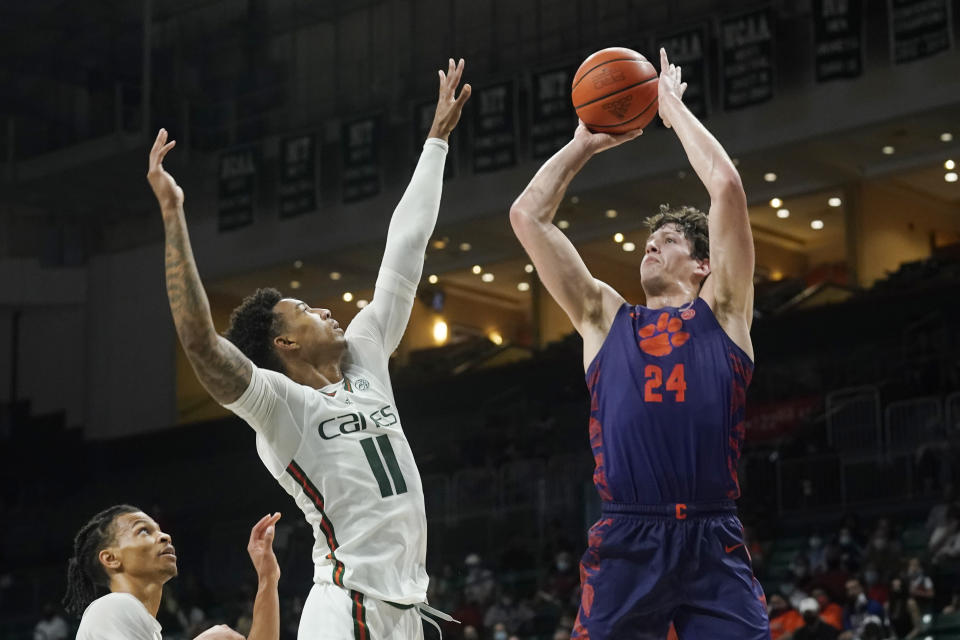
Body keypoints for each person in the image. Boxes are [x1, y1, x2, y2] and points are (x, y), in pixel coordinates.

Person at [147, 59, 471, 639]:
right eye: (306, 310)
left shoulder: (366, 356)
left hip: (407, 612)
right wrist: (173, 216)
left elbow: (406, 247)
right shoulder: (281, 406)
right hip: (348, 608)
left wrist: (436, 142)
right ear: (285, 342)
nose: (327, 309)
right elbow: (200, 344)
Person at [509, 48, 767, 639]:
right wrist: (585, 144)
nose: (651, 245)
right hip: (628, 539)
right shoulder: (603, 317)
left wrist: (672, 110)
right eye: (649, 239)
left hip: (712, 538)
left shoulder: (725, 312)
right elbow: (528, 217)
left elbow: (726, 186)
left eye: (669, 238)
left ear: (703, 264)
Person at [63, 505, 280, 640]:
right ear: (111, 559)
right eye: (143, 531)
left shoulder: (147, 630)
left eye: (160, 529)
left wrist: (268, 578)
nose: (165, 536)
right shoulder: (112, 607)